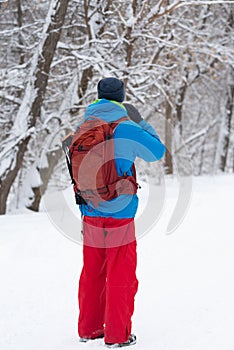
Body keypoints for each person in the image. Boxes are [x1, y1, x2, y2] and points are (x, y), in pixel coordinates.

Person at [77, 77, 165, 348]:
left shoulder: (84, 126)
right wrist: (140, 122)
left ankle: (89, 329)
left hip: (89, 208)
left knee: (92, 272)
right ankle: (117, 335)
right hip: (120, 211)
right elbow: (157, 152)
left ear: (98, 96)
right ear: (122, 97)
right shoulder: (127, 127)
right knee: (120, 273)